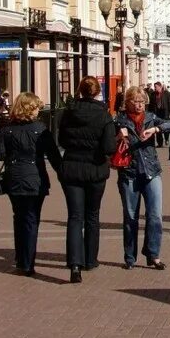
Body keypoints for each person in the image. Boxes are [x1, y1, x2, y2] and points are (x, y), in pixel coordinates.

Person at [58, 76, 116, 283]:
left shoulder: (69, 112)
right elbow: (109, 147)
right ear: (97, 91)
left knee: (75, 216)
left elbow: (62, 140)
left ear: (80, 90)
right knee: (92, 215)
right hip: (95, 169)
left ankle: (75, 264)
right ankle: (90, 259)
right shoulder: (103, 114)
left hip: (72, 166)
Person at [0, 92, 62, 277]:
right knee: (32, 219)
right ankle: (27, 262)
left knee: (19, 217)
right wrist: (62, 174)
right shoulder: (41, 129)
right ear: (29, 108)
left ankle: (21, 258)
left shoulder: (7, 129)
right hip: (35, 178)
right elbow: (54, 155)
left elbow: (0, 154)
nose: (38, 111)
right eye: (36, 108)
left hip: (14, 177)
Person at [115, 87, 170, 269]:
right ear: (128, 103)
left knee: (155, 215)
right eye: (136, 101)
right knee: (131, 217)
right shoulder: (119, 120)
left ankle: (153, 254)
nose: (140, 105)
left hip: (151, 171)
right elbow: (107, 143)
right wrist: (117, 138)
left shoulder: (150, 117)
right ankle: (130, 257)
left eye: (142, 101)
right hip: (129, 172)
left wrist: (155, 129)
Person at [148, 81, 170, 148]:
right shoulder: (153, 94)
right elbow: (150, 105)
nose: (155, 88)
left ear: (160, 87)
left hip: (165, 113)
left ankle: (166, 139)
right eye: (155, 87)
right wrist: (149, 113)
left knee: (165, 127)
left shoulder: (166, 94)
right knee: (157, 128)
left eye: (156, 87)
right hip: (156, 113)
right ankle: (160, 143)